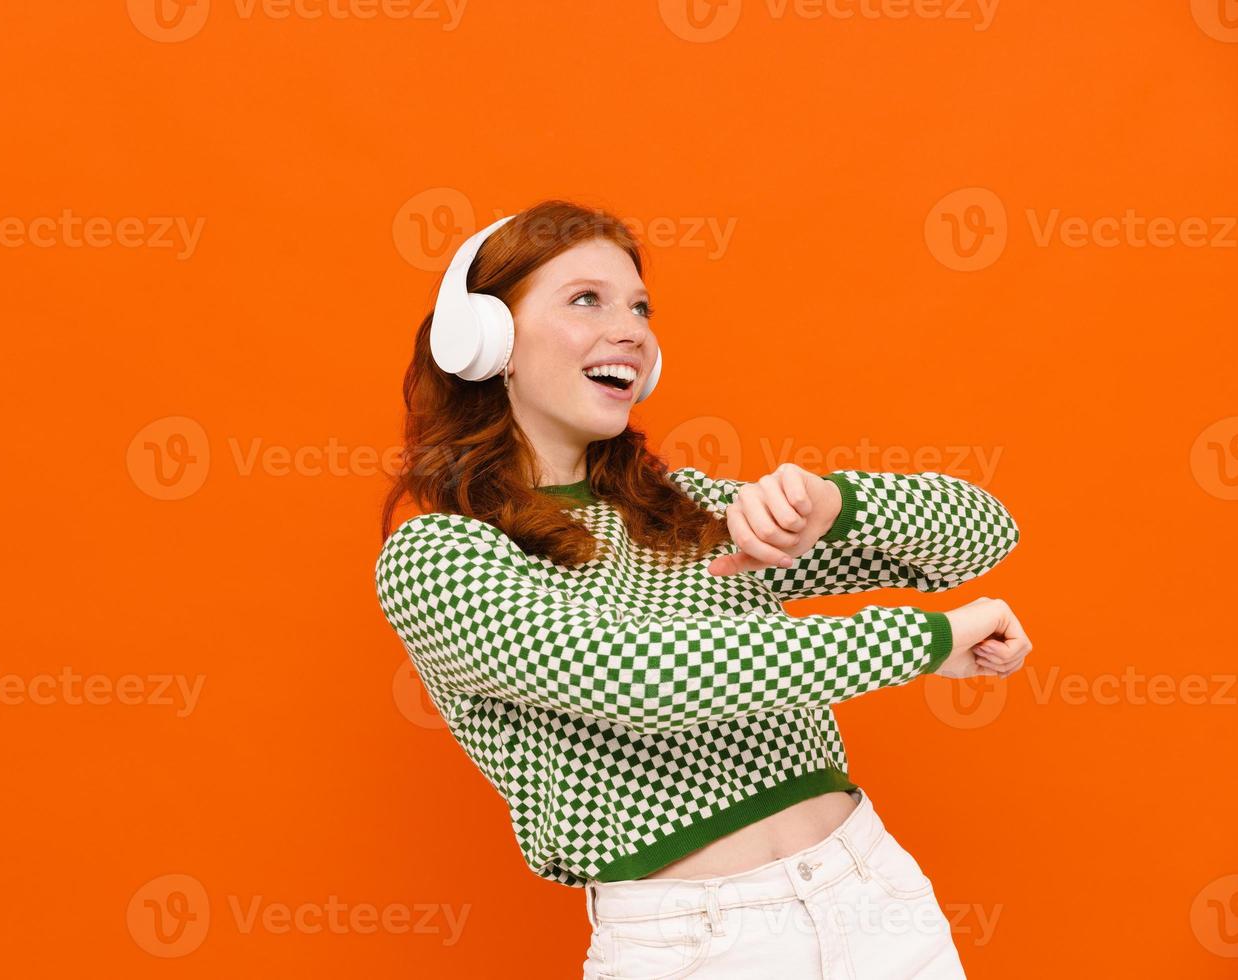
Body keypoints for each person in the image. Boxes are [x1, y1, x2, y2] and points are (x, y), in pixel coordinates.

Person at [373, 199, 1031, 978]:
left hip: (874, 902)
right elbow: (643, 674)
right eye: (587, 299)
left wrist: (833, 505)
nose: (633, 330)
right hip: (694, 945)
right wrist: (927, 640)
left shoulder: (682, 512)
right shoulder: (440, 558)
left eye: (640, 308)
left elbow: (984, 531)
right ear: (488, 341)